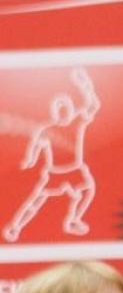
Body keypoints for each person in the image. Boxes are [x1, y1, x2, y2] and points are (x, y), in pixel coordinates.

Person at [4, 68, 99, 242]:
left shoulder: (77, 122)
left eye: (65, 108)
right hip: (55, 172)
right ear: (55, 113)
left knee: (88, 188)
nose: (63, 112)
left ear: (70, 110)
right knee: (36, 200)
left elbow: (92, 105)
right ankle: (15, 227)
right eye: (59, 109)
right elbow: (36, 145)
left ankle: (73, 220)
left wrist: (85, 85)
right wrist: (30, 160)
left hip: (74, 170)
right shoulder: (47, 130)